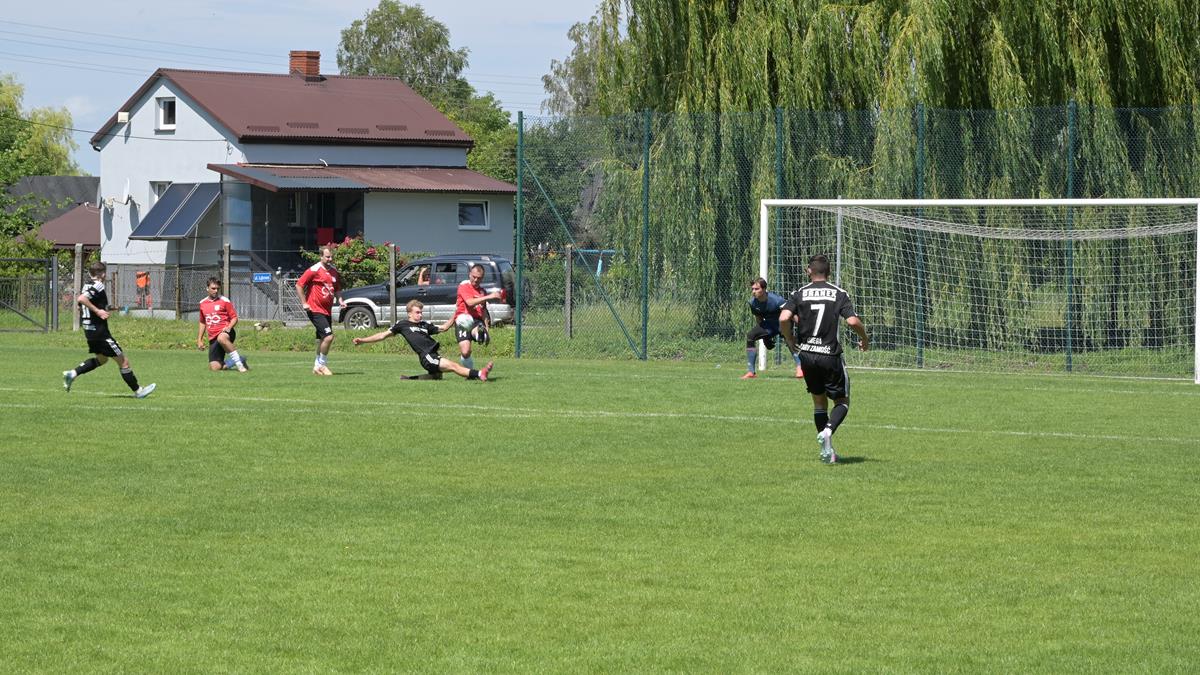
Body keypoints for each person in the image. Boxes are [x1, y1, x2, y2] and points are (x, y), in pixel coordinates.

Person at [779, 254, 869, 464]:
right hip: (829, 355)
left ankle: (828, 452)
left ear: (809, 271)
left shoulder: (799, 293)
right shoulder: (838, 293)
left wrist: (789, 338)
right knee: (842, 401)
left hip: (807, 355)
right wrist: (864, 338)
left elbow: (784, 317)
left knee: (819, 403)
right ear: (828, 272)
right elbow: (852, 321)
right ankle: (828, 432)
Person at [61, 261, 156, 399]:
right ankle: (138, 391)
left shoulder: (86, 285)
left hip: (89, 331)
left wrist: (99, 309)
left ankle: (73, 374)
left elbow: (79, 303)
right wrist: (98, 311)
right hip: (100, 332)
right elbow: (81, 299)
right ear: (102, 274)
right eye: (104, 273)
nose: (105, 275)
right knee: (123, 362)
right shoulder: (98, 285)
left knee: (102, 359)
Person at [353, 299, 493, 381]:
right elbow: (382, 335)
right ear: (409, 313)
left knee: (437, 377)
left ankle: (410, 379)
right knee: (453, 366)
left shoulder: (424, 325)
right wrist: (363, 340)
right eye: (417, 312)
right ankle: (480, 373)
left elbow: (444, 328)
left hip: (433, 354)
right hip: (427, 357)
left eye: (421, 312)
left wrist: (456, 315)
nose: (420, 315)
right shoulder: (402, 325)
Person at [742, 276, 805, 380]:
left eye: (756, 289)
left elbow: (791, 314)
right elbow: (759, 319)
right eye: (752, 289)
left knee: (789, 341)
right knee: (750, 336)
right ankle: (751, 372)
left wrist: (803, 327)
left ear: (764, 289)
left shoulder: (777, 300)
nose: (753, 291)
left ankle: (800, 369)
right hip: (769, 325)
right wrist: (765, 338)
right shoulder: (752, 302)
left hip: (783, 323)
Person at [296, 245, 344, 376]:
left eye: (331, 257)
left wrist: (340, 300)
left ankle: (316, 367)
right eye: (327, 257)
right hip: (315, 309)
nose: (330, 259)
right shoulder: (314, 270)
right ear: (321, 256)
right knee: (328, 337)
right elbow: (299, 285)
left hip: (326, 310)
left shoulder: (334, 271)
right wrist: (304, 303)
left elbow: (337, 288)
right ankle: (322, 365)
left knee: (323, 339)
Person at [451, 263, 502, 369]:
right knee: (465, 352)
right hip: (463, 320)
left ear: (482, 278)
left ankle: (480, 334)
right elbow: (469, 302)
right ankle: (470, 371)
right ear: (469, 274)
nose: (476, 280)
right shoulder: (464, 287)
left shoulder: (482, 292)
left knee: (478, 328)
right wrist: (489, 297)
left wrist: (487, 328)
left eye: (479, 278)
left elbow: (483, 311)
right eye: (474, 277)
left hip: (476, 321)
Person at [197, 277, 247, 372]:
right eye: (213, 288)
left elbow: (234, 318)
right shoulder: (202, 303)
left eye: (217, 288)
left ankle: (240, 365)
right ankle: (239, 359)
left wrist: (229, 327)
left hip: (226, 332)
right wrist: (199, 340)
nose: (216, 291)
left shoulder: (224, 301)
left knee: (221, 338)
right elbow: (202, 322)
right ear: (207, 288)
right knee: (215, 368)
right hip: (213, 338)